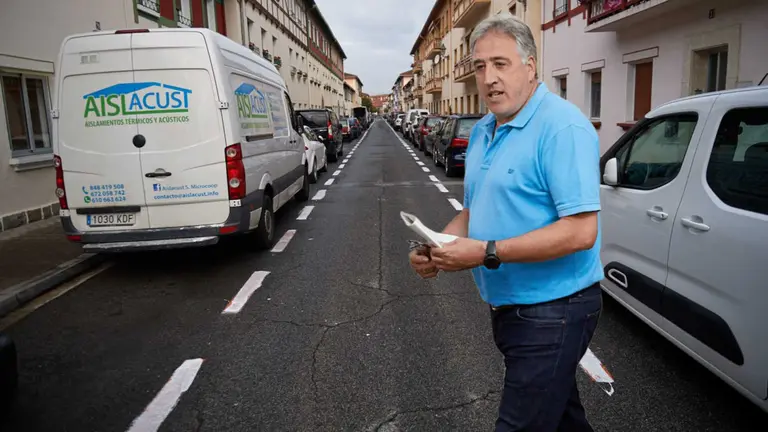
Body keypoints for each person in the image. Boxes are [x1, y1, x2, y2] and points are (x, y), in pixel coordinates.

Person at [409, 12, 603, 432]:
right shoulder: (484, 130)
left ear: (530, 67)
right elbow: (473, 210)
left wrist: (486, 252)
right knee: (562, 418)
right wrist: (435, 247)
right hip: (511, 307)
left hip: (554, 309)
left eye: (501, 64)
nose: (489, 78)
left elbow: (581, 231)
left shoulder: (563, 127)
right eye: (480, 66)